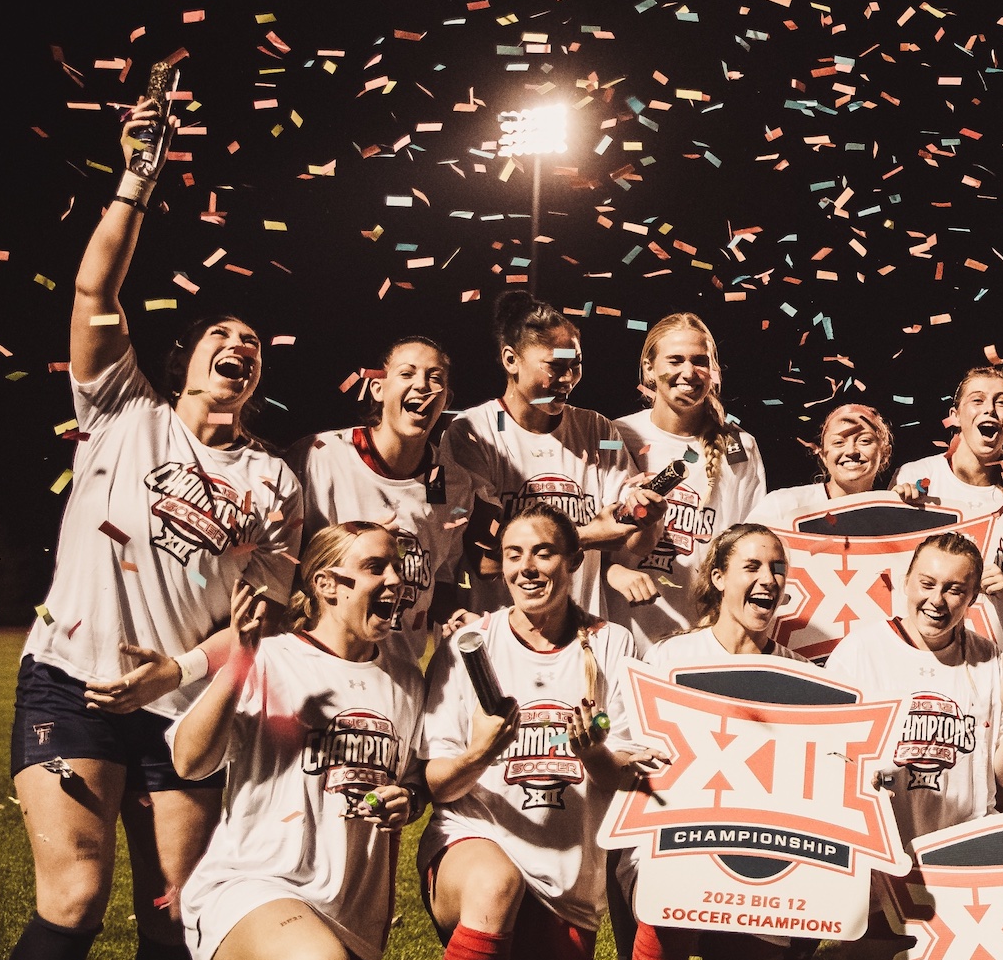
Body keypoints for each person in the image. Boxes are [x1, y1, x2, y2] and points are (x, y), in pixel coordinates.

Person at [0, 92, 302, 960]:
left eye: (253, 342)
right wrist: (137, 177)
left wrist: (174, 673)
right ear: (188, 359)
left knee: (174, 904)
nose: (238, 345)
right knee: (74, 899)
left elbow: (264, 611)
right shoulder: (123, 406)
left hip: (182, 705)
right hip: (73, 682)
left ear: (257, 379)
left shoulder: (271, 479)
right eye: (222, 332)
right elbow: (95, 284)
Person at [124, 526, 425, 960]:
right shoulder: (273, 655)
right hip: (256, 890)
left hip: (352, 914)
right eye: (375, 568)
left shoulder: (405, 679)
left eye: (397, 568)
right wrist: (238, 659)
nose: (395, 581)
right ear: (327, 586)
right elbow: (188, 759)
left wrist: (408, 800)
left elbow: (412, 776)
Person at [421, 505, 660, 960]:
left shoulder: (611, 643)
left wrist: (596, 752)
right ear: (499, 564)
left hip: (565, 879)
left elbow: (624, 773)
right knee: (494, 882)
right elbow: (439, 785)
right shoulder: (472, 645)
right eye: (515, 554)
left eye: (545, 553)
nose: (528, 567)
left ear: (574, 562)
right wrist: (482, 751)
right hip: (475, 848)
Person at [614, 525, 829, 960]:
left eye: (777, 569)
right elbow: (635, 758)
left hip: (759, 860)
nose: (767, 580)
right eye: (752, 567)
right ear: (717, 577)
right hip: (679, 847)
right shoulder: (672, 658)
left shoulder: (801, 676)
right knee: (674, 880)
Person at [822, 532, 1003, 960]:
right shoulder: (861, 652)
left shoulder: (988, 659)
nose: (937, 601)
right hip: (883, 861)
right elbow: (829, 759)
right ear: (904, 582)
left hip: (958, 859)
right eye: (927, 583)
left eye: (956, 589)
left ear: (974, 598)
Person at [446, 292, 647, 619]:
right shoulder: (474, 431)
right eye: (555, 366)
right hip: (502, 639)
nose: (568, 379)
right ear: (511, 360)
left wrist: (644, 508)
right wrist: (585, 535)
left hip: (581, 636)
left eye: (576, 366)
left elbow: (630, 532)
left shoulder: (597, 430)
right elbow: (486, 558)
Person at [293, 336, 475, 682]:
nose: (422, 385)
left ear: (446, 400)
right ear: (377, 388)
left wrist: (457, 616)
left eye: (435, 378)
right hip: (319, 666)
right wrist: (354, 546)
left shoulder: (455, 485)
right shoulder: (321, 456)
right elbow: (283, 567)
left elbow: (439, 580)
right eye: (407, 374)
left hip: (399, 676)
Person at [611, 314, 766, 645]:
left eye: (700, 361)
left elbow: (749, 550)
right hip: (621, 632)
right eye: (675, 360)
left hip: (702, 637)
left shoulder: (741, 447)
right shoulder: (616, 435)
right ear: (649, 369)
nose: (688, 372)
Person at [894, 364, 1003, 656]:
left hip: (996, 666)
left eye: (1002, 402)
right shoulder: (917, 478)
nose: (990, 410)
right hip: (920, 661)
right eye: (978, 400)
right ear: (955, 415)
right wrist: (891, 511)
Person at [745, 403, 895, 525]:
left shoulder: (892, 512)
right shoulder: (783, 505)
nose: (851, 451)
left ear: (885, 453)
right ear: (823, 456)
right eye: (838, 442)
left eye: (864, 441)